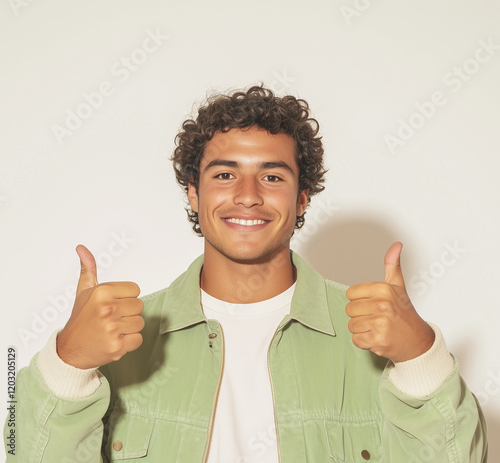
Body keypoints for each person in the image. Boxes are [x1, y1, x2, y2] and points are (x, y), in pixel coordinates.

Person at [5, 86, 488, 462]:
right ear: (193, 194)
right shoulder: (117, 337)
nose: (248, 194)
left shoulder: (380, 339)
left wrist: (422, 358)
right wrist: (69, 363)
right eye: (224, 174)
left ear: (302, 199)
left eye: (273, 176)